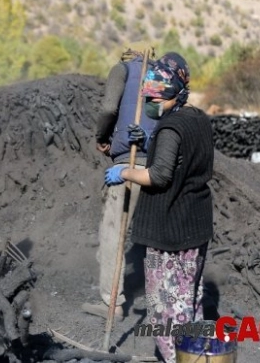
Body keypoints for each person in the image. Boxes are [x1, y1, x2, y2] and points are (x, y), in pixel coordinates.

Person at [104, 52, 214, 363]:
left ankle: (175, 359)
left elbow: (159, 175)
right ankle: (200, 356)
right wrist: (151, 142)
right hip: (196, 225)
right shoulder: (199, 119)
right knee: (190, 300)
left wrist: (124, 172)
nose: (151, 102)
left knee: (167, 310)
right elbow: (183, 157)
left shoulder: (169, 129)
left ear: (173, 94)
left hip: (170, 231)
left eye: (156, 97)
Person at [82, 49, 159, 319]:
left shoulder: (122, 69)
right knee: (152, 236)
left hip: (128, 162)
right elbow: (158, 115)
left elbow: (108, 108)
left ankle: (111, 303)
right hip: (155, 166)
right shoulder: (156, 74)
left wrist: (102, 136)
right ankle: (161, 301)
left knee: (114, 232)